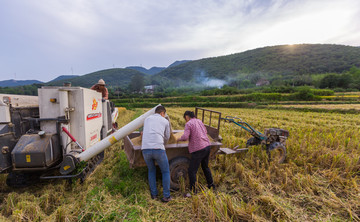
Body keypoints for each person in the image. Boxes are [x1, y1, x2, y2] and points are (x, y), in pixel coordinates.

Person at [178, 111, 215, 193]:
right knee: (205, 167)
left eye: (185, 118)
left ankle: (193, 191)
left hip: (198, 149)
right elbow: (205, 132)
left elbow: (185, 137)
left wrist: (178, 138)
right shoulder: (199, 121)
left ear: (187, 117)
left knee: (192, 170)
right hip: (207, 146)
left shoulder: (189, 124)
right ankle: (211, 185)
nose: (185, 120)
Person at [141, 105, 171, 202]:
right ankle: (166, 196)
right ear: (162, 113)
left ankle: (154, 195)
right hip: (158, 148)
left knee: (151, 170)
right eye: (164, 114)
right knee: (165, 171)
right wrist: (163, 144)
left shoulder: (147, 119)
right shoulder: (165, 121)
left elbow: (145, 132)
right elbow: (167, 136)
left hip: (145, 149)